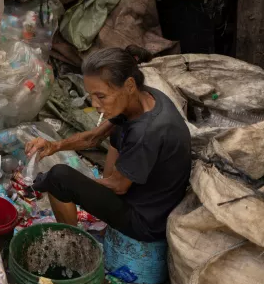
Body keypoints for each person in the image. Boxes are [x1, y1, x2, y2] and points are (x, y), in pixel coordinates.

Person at [25, 46, 191, 241]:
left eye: (101, 96)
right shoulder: (142, 98)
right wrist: (55, 146)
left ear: (129, 85)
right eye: (91, 96)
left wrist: (75, 187)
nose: (95, 104)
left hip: (147, 221)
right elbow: (93, 137)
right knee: (117, 129)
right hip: (145, 195)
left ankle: (72, 243)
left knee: (57, 178)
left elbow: (119, 186)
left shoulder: (146, 132)